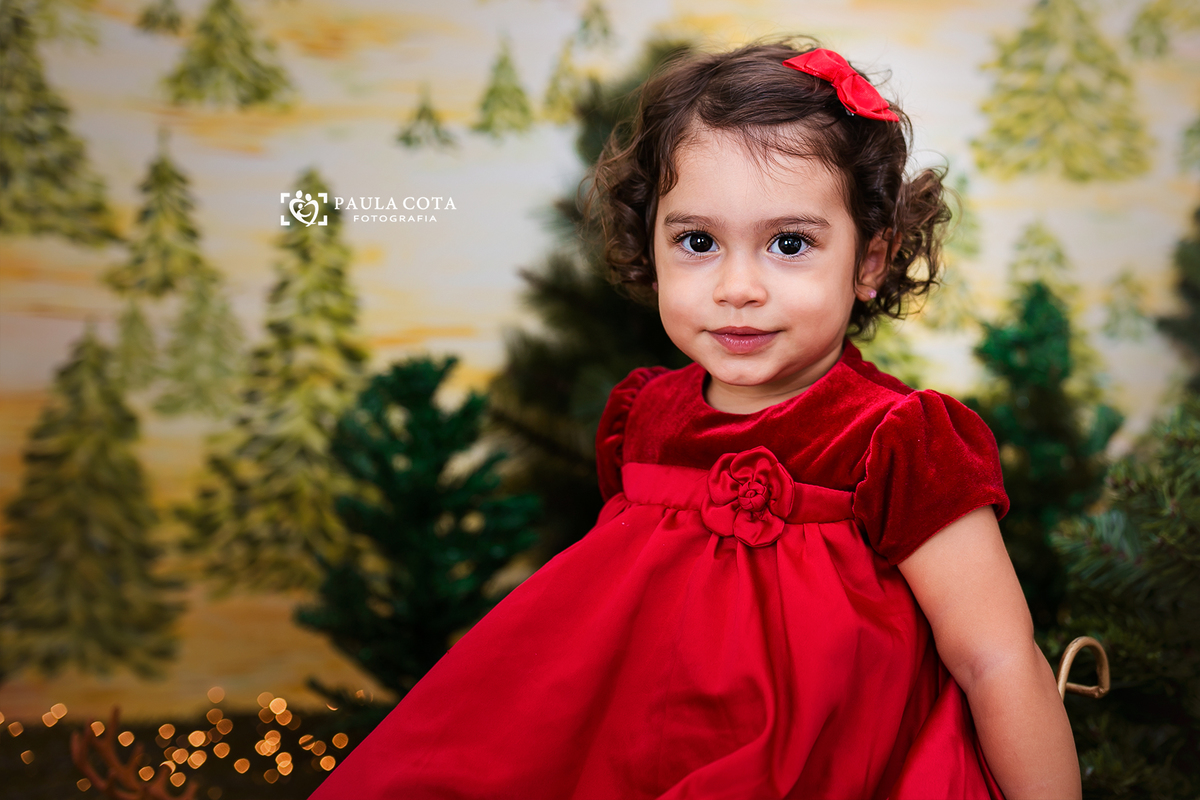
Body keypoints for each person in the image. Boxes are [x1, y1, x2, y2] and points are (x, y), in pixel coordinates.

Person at [310, 41, 1081, 800]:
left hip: (835, 768)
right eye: (698, 242)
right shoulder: (644, 419)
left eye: (789, 243)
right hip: (649, 758)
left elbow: (995, 659)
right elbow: (616, 628)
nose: (737, 287)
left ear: (870, 261)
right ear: (650, 247)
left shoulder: (896, 441)